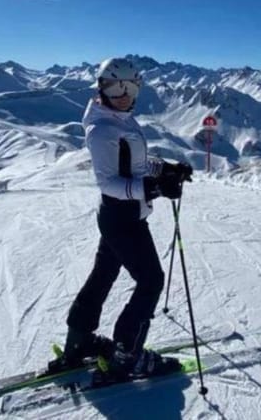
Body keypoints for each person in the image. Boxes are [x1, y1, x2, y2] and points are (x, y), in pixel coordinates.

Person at [56, 56, 193, 381]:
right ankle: (127, 355)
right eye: (116, 85)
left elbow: (134, 162)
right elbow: (109, 183)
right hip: (123, 218)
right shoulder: (104, 128)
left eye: (131, 86)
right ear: (101, 87)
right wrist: (156, 187)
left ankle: (79, 340)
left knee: (103, 275)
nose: (124, 93)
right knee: (151, 281)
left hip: (118, 217)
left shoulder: (117, 118)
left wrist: (167, 169)